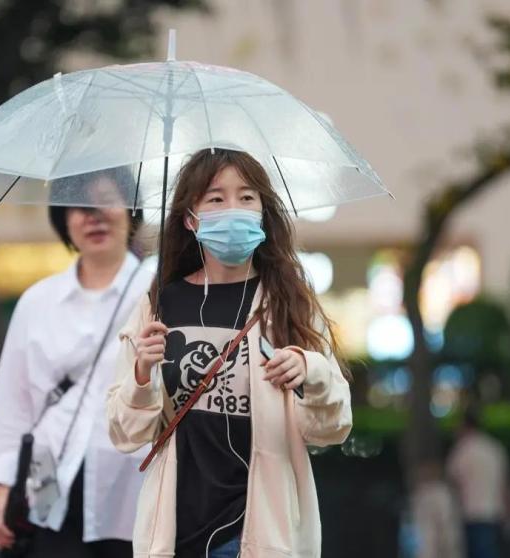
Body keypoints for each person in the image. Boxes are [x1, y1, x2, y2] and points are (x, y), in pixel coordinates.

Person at [107, 148, 353, 558]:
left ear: (262, 213)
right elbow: (124, 432)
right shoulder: (160, 304)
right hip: (174, 532)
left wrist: (310, 372)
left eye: (247, 197)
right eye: (216, 199)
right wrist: (141, 373)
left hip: (257, 531)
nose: (233, 209)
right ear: (191, 218)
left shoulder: (289, 304)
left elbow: (333, 427)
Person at [0, 167, 153, 557]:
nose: (93, 215)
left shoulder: (159, 293)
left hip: (132, 478)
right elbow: (12, 406)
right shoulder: (37, 303)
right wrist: (1, 487)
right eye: (77, 205)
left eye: (106, 200)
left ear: (131, 209)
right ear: (62, 219)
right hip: (45, 469)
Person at [446, 408, 510, 558]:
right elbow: (505, 484)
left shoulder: (462, 450)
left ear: (465, 425)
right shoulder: (494, 448)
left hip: (469, 513)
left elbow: (452, 483)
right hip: (492, 512)